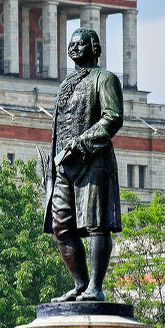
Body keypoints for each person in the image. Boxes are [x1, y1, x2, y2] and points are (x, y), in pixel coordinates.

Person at [43, 27, 123, 302]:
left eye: (80, 44)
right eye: (71, 44)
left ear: (95, 48)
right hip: (63, 167)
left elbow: (112, 118)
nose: (74, 48)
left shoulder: (105, 79)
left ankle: (95, 288)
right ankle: (80, 284)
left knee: (96, 224)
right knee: (61, 227)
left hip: (92, 161)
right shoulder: (66, 84)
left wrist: (81, 143)